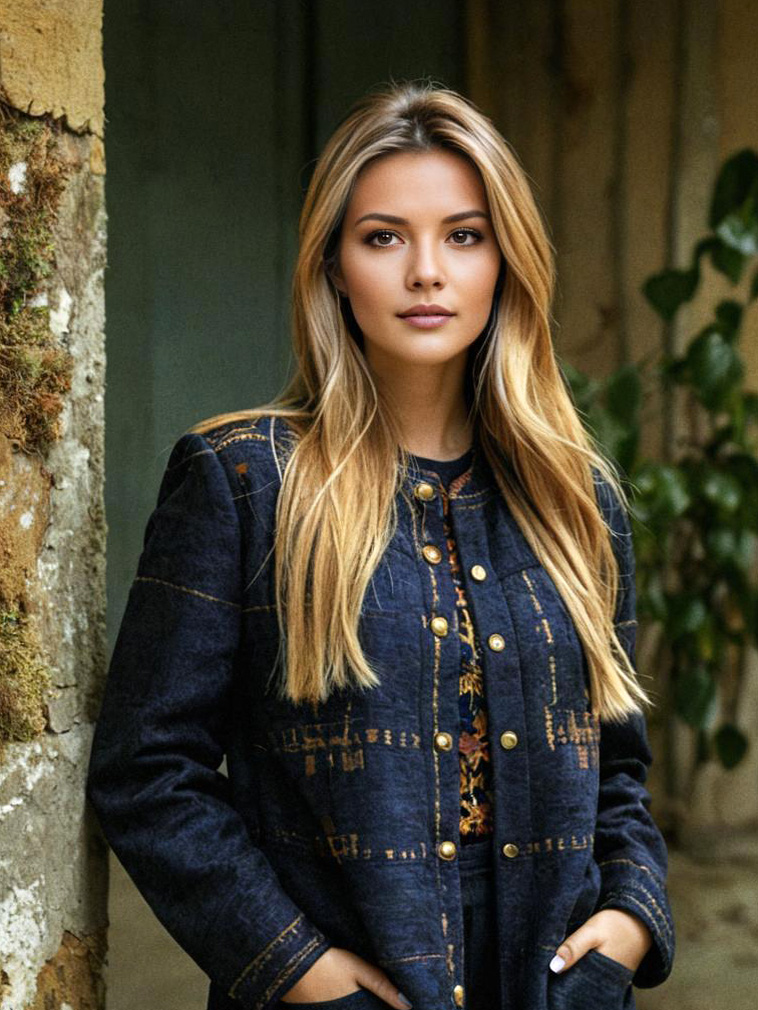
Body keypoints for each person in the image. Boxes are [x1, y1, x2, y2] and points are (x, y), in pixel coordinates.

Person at [86, 79, 675, 1010]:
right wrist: (295, 969)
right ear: (332, 266)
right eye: (384, 236)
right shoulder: (245, 483)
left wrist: (632, 923)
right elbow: (147, 774)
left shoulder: (578, 497)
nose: (428, 272)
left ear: (506, 263)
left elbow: (619, 768)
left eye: (465, 235)